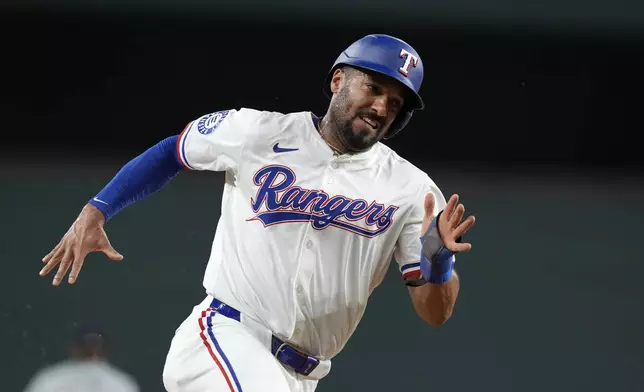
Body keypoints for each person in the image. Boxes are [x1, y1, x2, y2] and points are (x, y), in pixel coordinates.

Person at [40, 34, 476, 391]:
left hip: (301, 375)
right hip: (226, 337)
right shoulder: (259, 132)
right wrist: (98, 208)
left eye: (396, 102)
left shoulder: (412, 190)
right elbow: (174, 151)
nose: (382, 107)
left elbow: (435, 312)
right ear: (337, 81)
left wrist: (439, 262)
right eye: (374, 88)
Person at [23, 323, 139, 392]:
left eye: (95, 345)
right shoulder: (52, 379)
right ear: (74, 347)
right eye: (86, 346)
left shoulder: (119, 383)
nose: (91, 350)